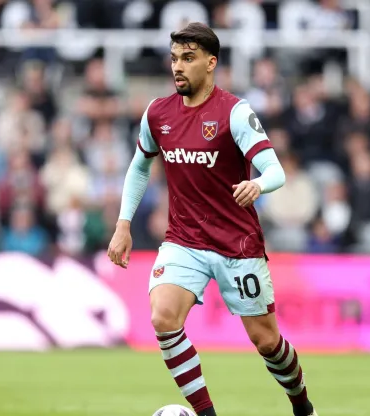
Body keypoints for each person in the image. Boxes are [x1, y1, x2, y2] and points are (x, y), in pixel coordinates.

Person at [107, 23, 318, 416]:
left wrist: (257, 186)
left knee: (267, 341)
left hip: (236, 245)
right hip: (183, 240)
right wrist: (123, 224)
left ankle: (302, 406)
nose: (178, 67)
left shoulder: (234, 112)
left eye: (187, 58)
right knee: (162, 316)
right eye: (173, 59)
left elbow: (275, 171)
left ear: (210, 62)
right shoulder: (158, 114)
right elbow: (139, 168)